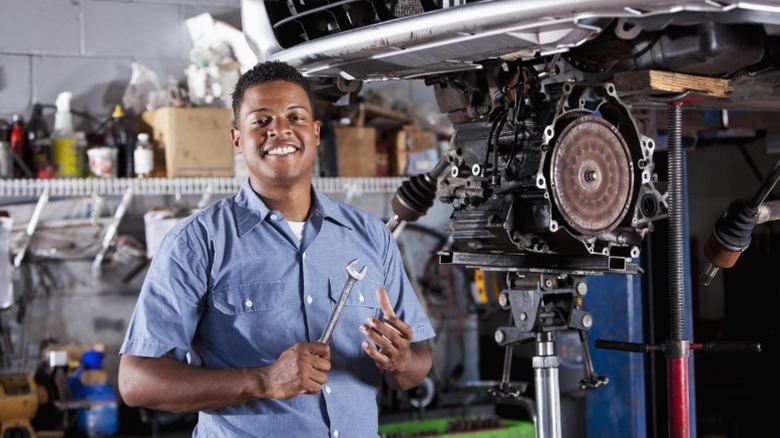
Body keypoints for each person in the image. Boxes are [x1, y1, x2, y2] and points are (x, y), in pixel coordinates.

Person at [117, 60, 435, 437]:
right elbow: (136, 381)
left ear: (315, 133)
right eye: (261, 121)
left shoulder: (370, 235)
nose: (280, 130)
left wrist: (399, 362)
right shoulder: (198, 242)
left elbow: (418, 366)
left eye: (295, 117)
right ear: (237, 139)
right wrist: (264, 380)